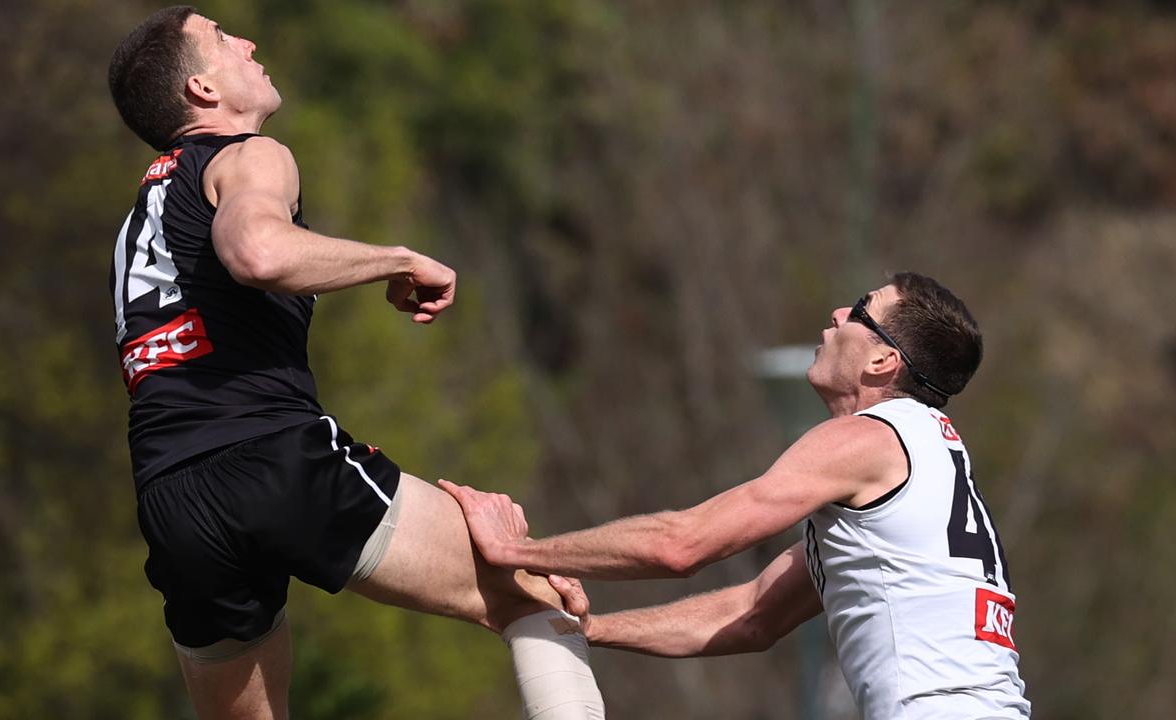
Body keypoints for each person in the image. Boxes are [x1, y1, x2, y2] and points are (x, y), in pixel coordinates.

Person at [106, 7, 603, 720]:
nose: (247, 41)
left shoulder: (136, 226)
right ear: (203, 91)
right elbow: (260, 254)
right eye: (221, 38)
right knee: (537, 594)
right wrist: (396, 258)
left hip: (173, 501)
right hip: (270, 457)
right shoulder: (247, 155)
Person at [443, 273, 1031, 719]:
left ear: (882, 361)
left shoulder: (868, 440)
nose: (835, 314)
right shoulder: (923, 463)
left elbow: (683, 544)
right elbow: (754, 615)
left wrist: (516, 551)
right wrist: (591, 629)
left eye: (858, 311)